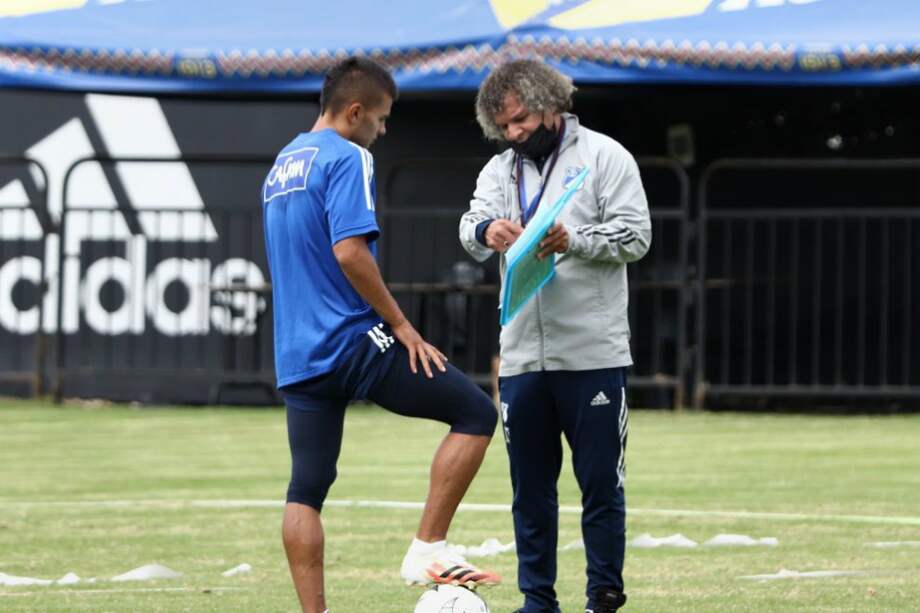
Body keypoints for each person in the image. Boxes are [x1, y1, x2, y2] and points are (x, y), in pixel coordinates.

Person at [262, 57, 499, 613]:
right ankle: (427, 548)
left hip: (298, 352)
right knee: (475, 413)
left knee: (307, 489)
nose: (384, 130)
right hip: (350, 339)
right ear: (354, 112)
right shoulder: (350, 156)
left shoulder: (280, 164)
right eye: (382, 118)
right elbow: (349, 252)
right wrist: (400, 324)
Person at [459, 60, 652, 613]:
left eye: (520, 120)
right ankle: (537, 601)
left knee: (600, 485)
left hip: (592, 350)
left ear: (550, 102)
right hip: (521, 355)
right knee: (530, 492)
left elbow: (637, 236)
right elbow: (469, 226)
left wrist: (576, 239)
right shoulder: (500, 169)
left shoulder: (605, 156)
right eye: (504, 127)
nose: (515, 134)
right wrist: (486, 229)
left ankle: (603, 596)